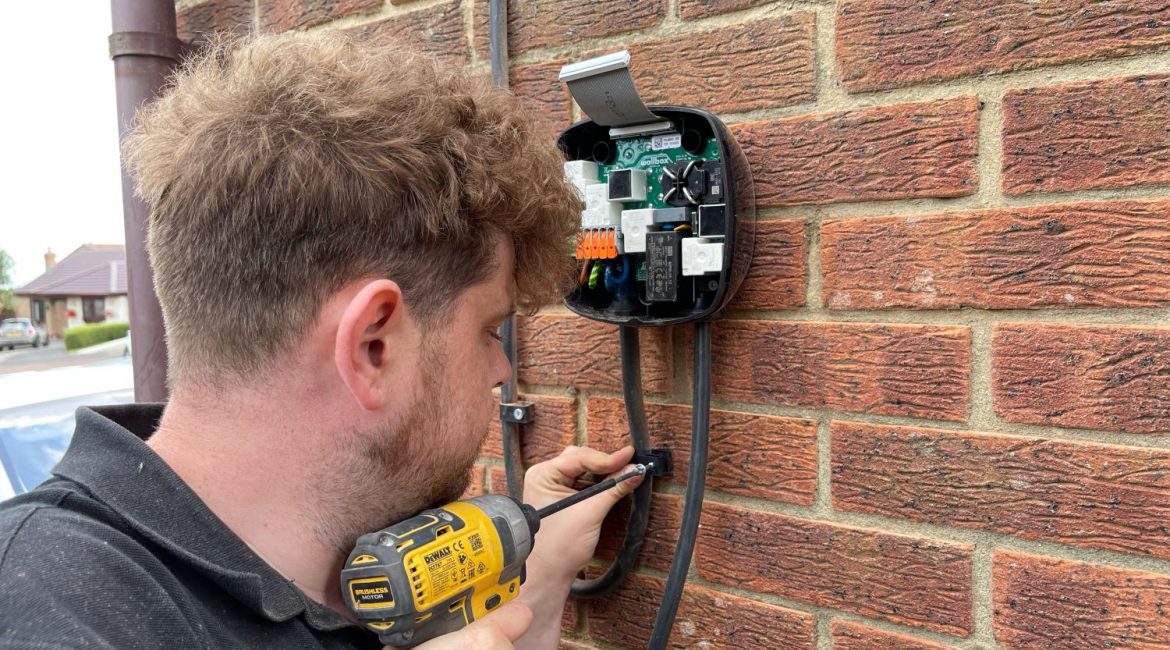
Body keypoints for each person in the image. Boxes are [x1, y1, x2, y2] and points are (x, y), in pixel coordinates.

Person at [0, 31, 639, 649]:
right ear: (372, 347)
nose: (501, 369)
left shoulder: (339, 567)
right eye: (488, 330)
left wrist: (544, 572)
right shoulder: (49, 612)